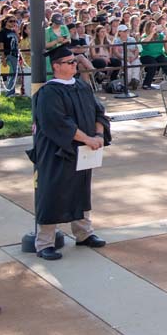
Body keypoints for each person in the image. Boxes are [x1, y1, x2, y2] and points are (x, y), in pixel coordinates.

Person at [29, 45, 110, 261]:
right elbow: (59, 123)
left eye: (75, 61)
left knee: (81, 190)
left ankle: (84, 234)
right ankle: (45, 243)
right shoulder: (48, 92)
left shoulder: (82, 87)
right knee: (51, 193)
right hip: (56, 152)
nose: (75, 64)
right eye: (70, 62)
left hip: (83, 150)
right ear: (56, 66)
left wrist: (99, 135)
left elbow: (99, 112)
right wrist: (88, 139)